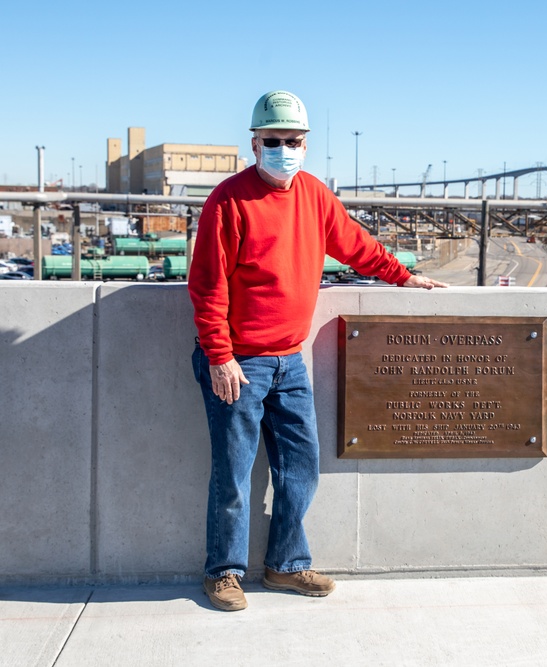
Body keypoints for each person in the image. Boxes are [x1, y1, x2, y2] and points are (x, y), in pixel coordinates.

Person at [188, 90, 447, 612]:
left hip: (289, 360)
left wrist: (404, 276)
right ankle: (224, 572)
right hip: (239, 362)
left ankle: (285, 565)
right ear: (255, 143)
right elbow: (207, 285)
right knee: (234, 475)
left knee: (301, 467)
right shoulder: (229, 199)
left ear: (305, 145)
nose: (284, 149)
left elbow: (355, 243)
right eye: (273, 141)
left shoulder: (313, 195)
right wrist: (219, 355)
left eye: (293, 141)